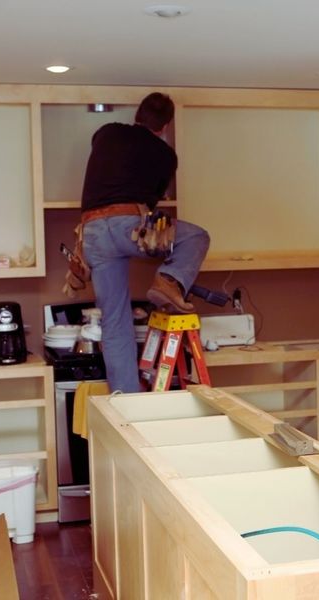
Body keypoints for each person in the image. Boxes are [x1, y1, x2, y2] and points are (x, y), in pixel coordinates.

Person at [80, 92, 210, 393]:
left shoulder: (107, 132)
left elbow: (103, 156)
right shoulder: (166, 156)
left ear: (137, 115)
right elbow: (150, 204)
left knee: (114, 323)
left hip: (92, 234)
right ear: (165, 125)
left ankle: (126, 399)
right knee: (196, 236)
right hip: (128, 226)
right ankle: (169, 280)